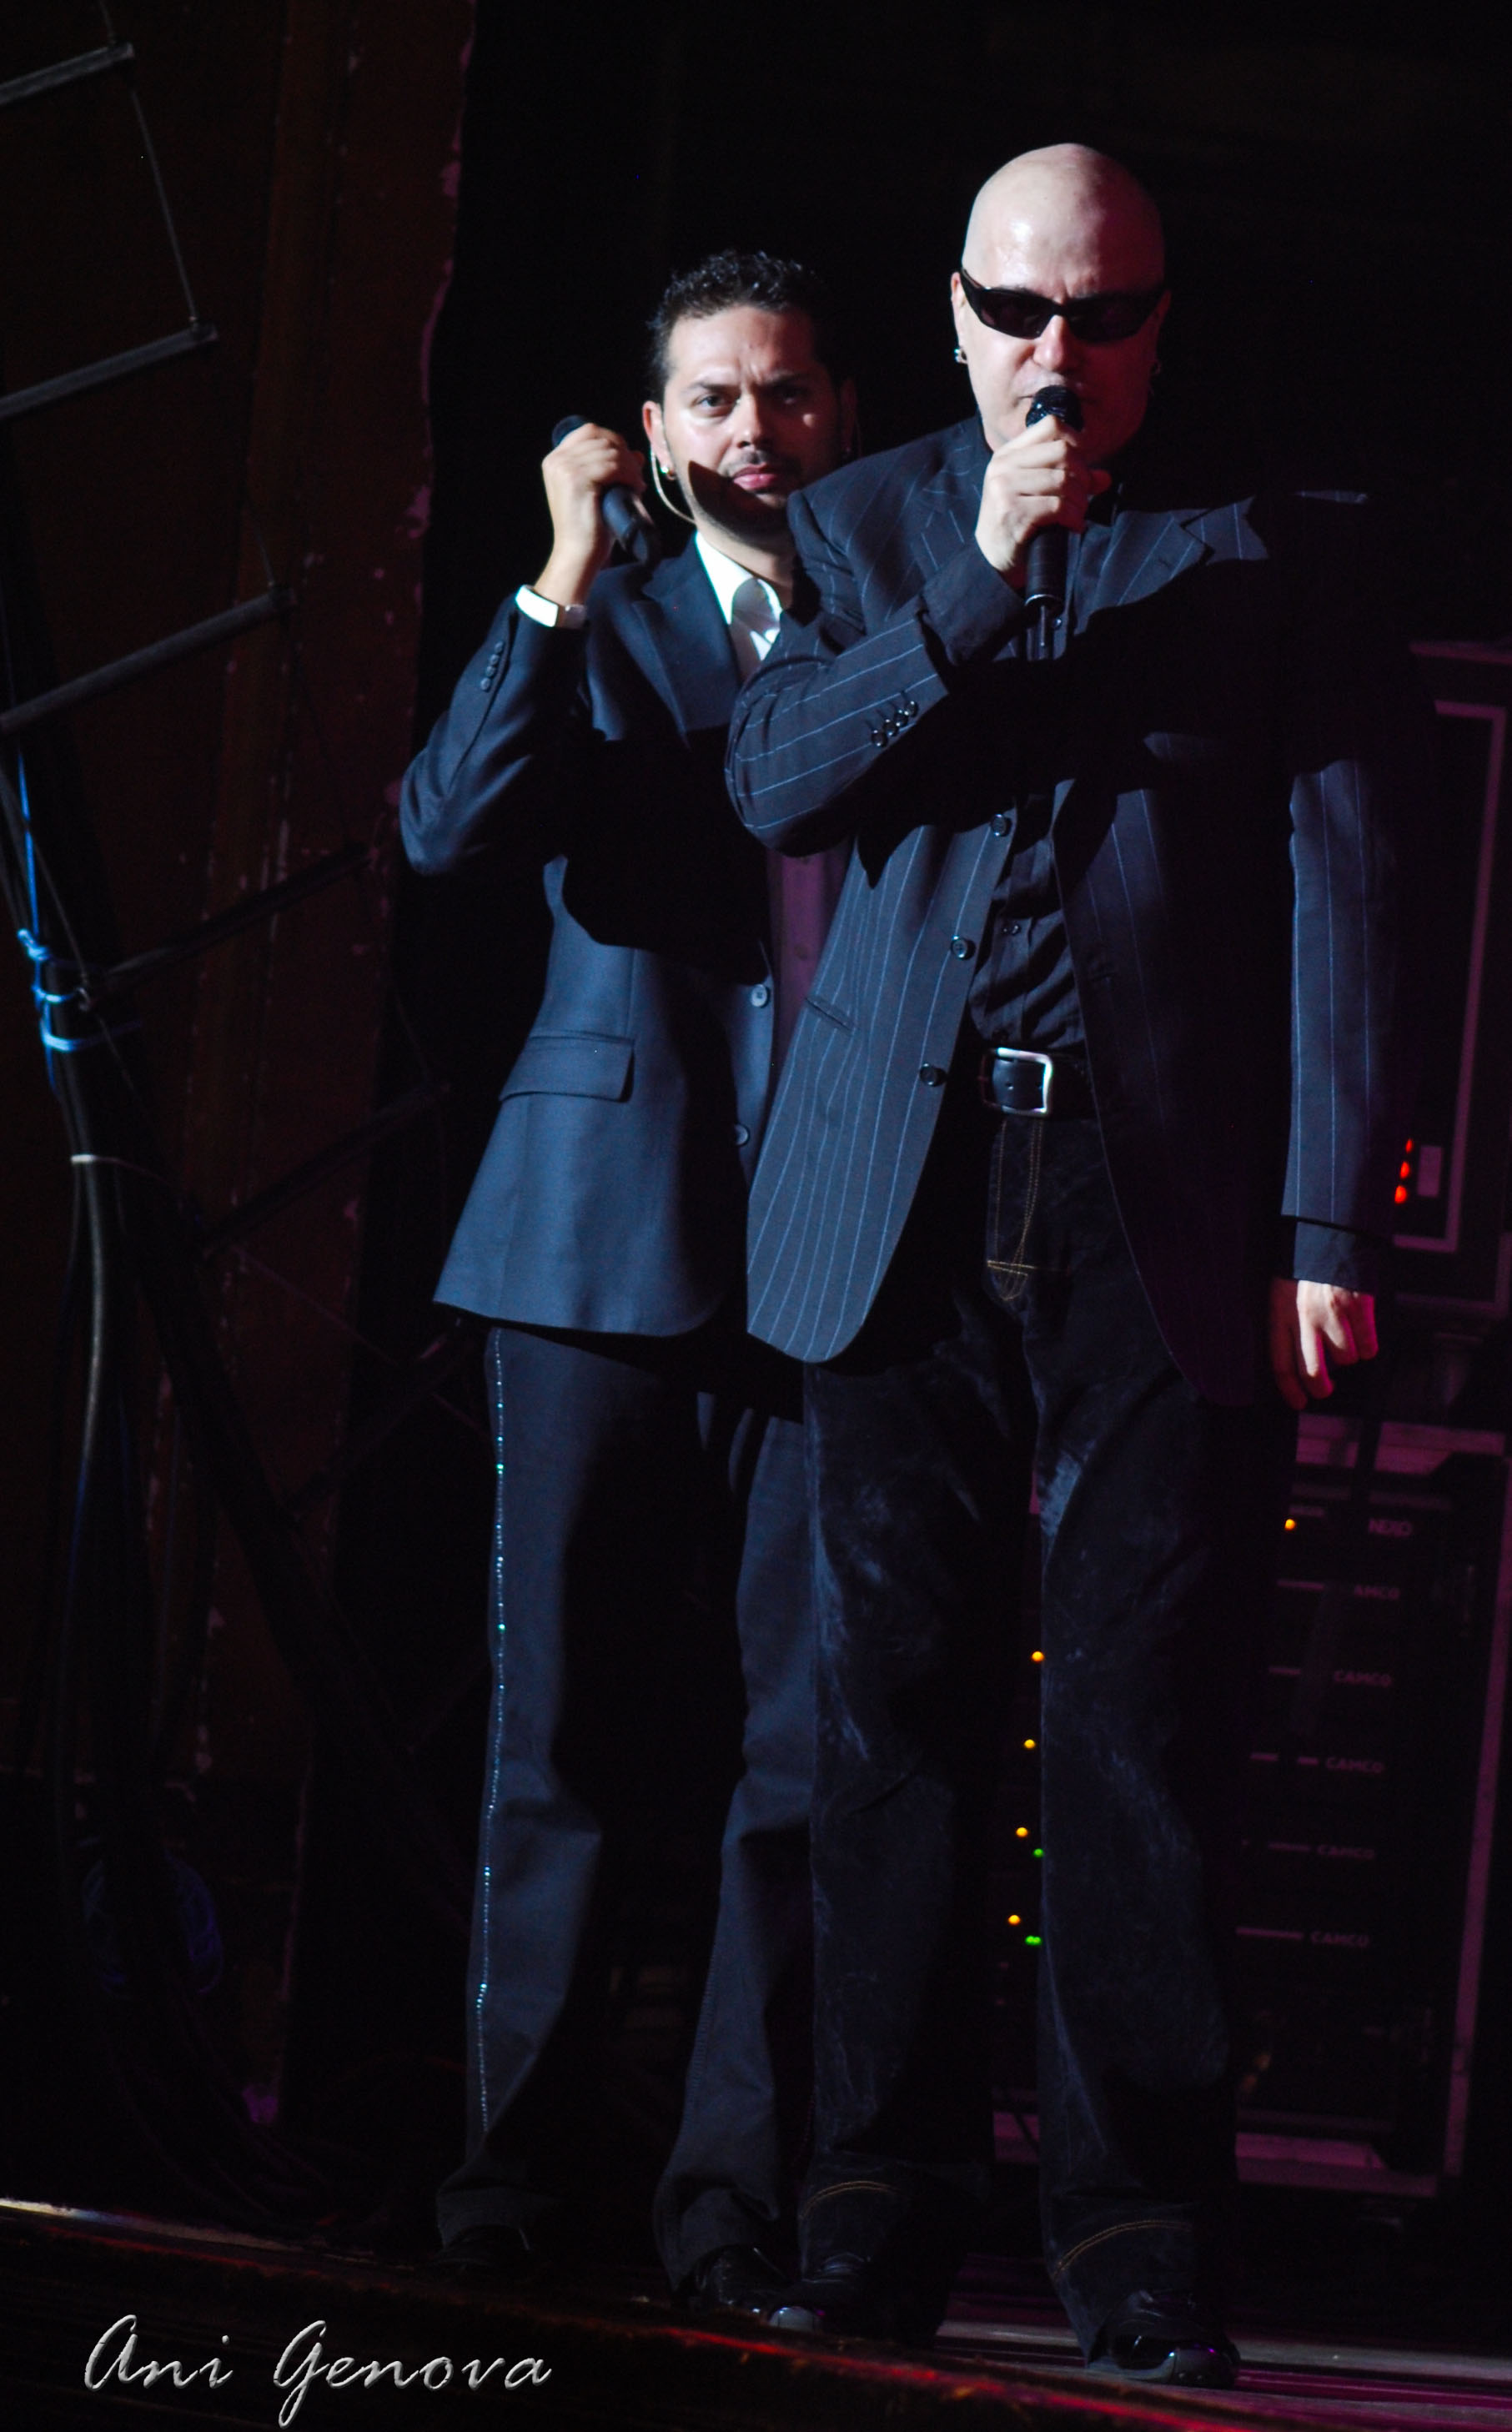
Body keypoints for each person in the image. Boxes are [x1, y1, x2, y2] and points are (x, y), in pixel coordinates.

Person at [726, 148, 1431, 2379]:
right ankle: (871, 2203)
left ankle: (1136, 2239)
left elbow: (1351, 880)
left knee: (1137, 1728)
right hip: (904, 1192)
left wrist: (1328, 1218)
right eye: (1019, 313)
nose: (1059, 358)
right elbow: (775, 784)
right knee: (890, 1720)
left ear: (1157, 321)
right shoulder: (863, 528)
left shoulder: (1272, 541)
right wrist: (975, 579)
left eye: (1102, 316)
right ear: (952, 314)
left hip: (1163, 1204)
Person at [400, 250, 854, 2312]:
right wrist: (561, 576)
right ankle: (511, 2187)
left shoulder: (902, 624)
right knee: (561, 1742)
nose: (756, 429)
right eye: (714, 400)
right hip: (594, 1237)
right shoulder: (607, 618)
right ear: (655, 433)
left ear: (841, 415)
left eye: (788, 393)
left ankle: (726, 2208)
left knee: (802, 1758)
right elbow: (450, 833)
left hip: (832, 1258)